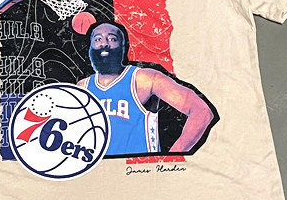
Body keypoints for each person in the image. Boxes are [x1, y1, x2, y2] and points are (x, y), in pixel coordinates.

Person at [77, 21, 214, 155]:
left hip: (136, 169)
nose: (104, 43)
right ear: (90, 48)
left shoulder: (144, 79)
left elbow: (202, 111)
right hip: (99, 168)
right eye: (98, 39)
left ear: (123, 47)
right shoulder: (83, 87)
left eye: (112, 39)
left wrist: (172, 157)